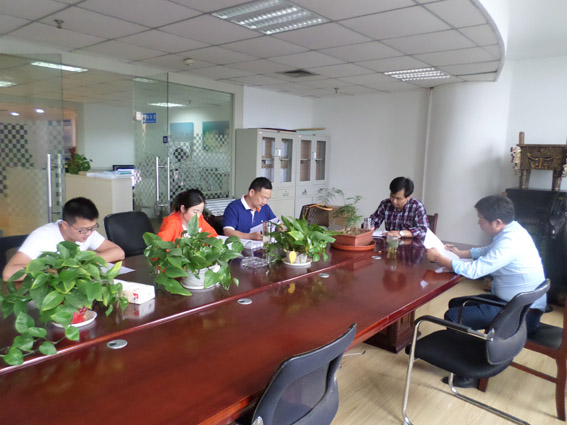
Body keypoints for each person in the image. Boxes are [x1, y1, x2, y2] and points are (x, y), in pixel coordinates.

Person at [426, 195, 547, 387]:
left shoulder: (510, 242)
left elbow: (474, 271)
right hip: (517, 303)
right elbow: (490, 250)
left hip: (521, 313)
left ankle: (468, 371)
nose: (478, 222)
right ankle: (475, 349)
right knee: (456, 303)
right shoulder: (514, 231)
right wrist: (461, 253)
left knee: (453, 316)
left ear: (497, 222)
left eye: (480, 218)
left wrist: (440, 258)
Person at [2, 197, 125, 281]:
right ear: (65, 225)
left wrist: (84, 263)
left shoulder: (87, 231)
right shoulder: (42, 236)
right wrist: (52, 271)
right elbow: (8, 273)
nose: (88, 233)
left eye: (93, 227)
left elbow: (118, 252)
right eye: (83, 229)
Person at [223, 177, 276, 241]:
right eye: (263, 198)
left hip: (260, 246)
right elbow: (228, 232)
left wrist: (281, 228)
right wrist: (250, 236)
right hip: (240, 246)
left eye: (267, 199)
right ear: (252, 192)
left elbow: (277, 224)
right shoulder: (233, 207)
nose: (265, 202)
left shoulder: (265, 207)